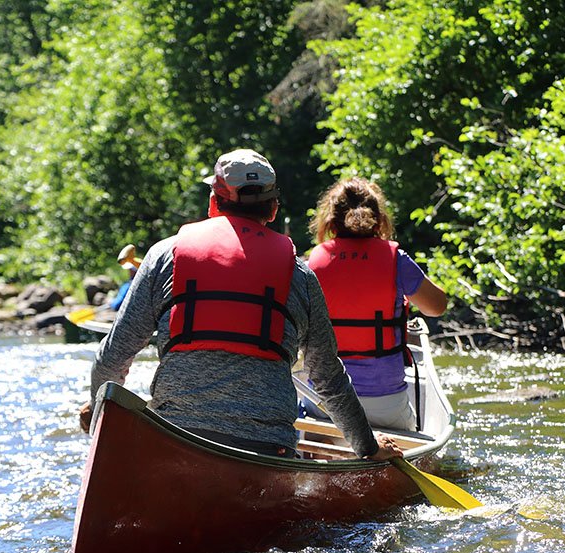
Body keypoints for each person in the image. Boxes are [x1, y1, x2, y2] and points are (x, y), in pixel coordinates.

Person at [79, 149, 401, 461]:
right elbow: (328, 376)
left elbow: (113, 355)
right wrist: (368, 447)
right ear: (273, 209)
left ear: (213, 204)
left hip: (176, 438)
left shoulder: (165, 255)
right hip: (268, 449)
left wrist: (97, 415)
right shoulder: (301, 276)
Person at [307, 178, 447, 430]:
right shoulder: (397, 260)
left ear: (329, 222)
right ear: (380, 220)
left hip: (325, 403)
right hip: (384, 403)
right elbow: (436, 307)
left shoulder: (312, 264)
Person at [109, 244, 141, 311]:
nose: (129, 272)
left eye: (130, 270)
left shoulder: (128, 286)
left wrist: (111, 303)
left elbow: (117, 305)